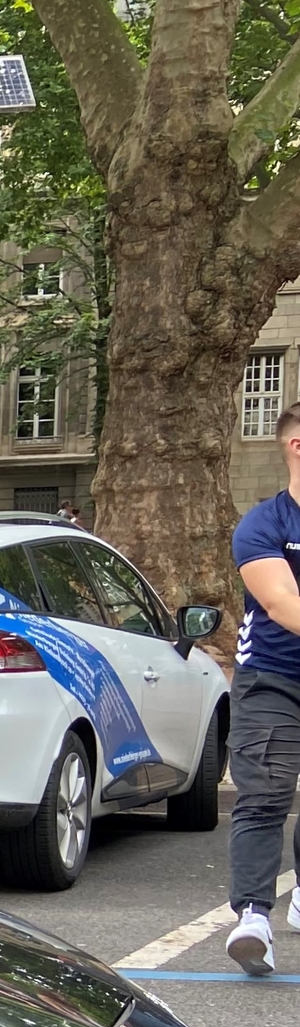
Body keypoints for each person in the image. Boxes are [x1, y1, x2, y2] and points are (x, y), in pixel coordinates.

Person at [223, 400, 300, 974]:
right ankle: (252, 918)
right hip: (274, 680)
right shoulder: (264, 524)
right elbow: (282, 605)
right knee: (266, 794)